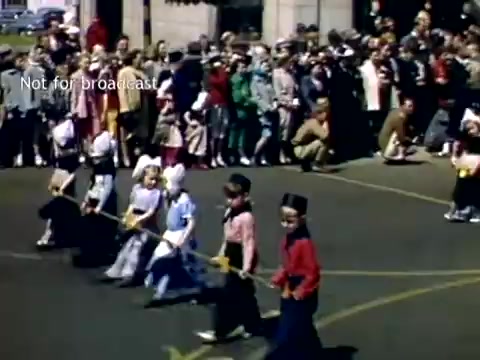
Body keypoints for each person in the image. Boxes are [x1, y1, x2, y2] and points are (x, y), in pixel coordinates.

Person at [196, 173, 261, 343]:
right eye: (227, 196)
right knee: (245, 294)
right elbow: (227, 238)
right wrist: (220, 255)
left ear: (245, 196)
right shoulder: (230, 212)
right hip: (231, 253)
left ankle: (220, 330)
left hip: (241, 256)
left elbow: (248, 243)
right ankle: (252, 324)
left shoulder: (246, 218)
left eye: (233, 197)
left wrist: (246, 268)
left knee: (228, 294)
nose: (229, 200)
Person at [265, 193, 322, 360]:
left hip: (302, 292)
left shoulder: (305, 243)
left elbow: (313, 273)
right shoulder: (287, 239)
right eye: (282, 219)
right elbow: (286, 265)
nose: (285, 225)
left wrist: (301, 291)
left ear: (302, 219)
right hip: (289, 288)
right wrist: (278, 279)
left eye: (290, 221)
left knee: (287, 332)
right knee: (304, 330)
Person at [144, 162, 205, 306]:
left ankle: (201, 289)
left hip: (180, 236)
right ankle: (159, 290)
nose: (165, 187)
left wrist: (183, 239)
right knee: (165, 262)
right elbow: (167, 212)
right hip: (170, 234)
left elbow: (191, 222)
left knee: (189, 267)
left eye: (167, 184)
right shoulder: (172, 198)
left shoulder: (184, 201)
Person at [101, 166, 163, 286]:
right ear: (143, 177)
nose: (153, 182)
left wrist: (138, 220)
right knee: (126, 248)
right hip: (134, 222)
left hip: (147, 226)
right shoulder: (137, 189)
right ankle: (116, 271)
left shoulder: (156, 194)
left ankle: (129, 274)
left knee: (136, 249)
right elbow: (132, 205)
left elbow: (151, 212)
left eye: (156, 180)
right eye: (151, 179)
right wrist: (127, 217)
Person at [72, 128, 118, 268]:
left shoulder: (108, 171)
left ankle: (100, 254)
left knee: (102, 230)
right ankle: (87, 252)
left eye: (98, 158)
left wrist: (100, 206)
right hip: (93, 200)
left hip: (105, 204)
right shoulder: (96, 170)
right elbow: (91, 185)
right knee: (87, 227)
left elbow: (107, 189)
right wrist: (86, 200)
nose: (95, 161)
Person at [37, 114, 80, 250]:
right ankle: (49, 234)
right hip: (60, 189)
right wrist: (53, 184)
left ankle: (66, 236)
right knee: (55, 215)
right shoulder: (60, 157)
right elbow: (57, 172)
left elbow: (72, 177)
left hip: (66, 193)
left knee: (67, 214)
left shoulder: (71, 157)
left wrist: (63, 186)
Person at [444, 103, 480, 223]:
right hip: (469, 160)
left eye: (472, 129)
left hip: (475, 161)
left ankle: (470, 211)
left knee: (472, 186)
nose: (470, 131)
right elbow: (458, 144)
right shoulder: (467, 130)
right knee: (462, 185)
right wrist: (455, 157)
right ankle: (459, 210)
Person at [291, 99, 331, 172]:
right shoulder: (314, 123)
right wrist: (326, 123)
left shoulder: (311, 121)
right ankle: (317, 164)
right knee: (324, 142)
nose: (326, 114)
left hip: (300, 147)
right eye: (324, 113)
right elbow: (325, 136)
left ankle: (305, 163)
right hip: (300, 149)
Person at [378, 97, 416, 162]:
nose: (412, 108)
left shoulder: (397, 111)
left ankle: (396, 152)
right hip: (387, 145)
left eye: (412, 106)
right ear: (403, 106)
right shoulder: (400, 116)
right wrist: (411, 141)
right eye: (409, 106)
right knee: (402, 135)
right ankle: (397, 154)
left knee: (409, 129)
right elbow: (401, 136)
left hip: (384, 141)